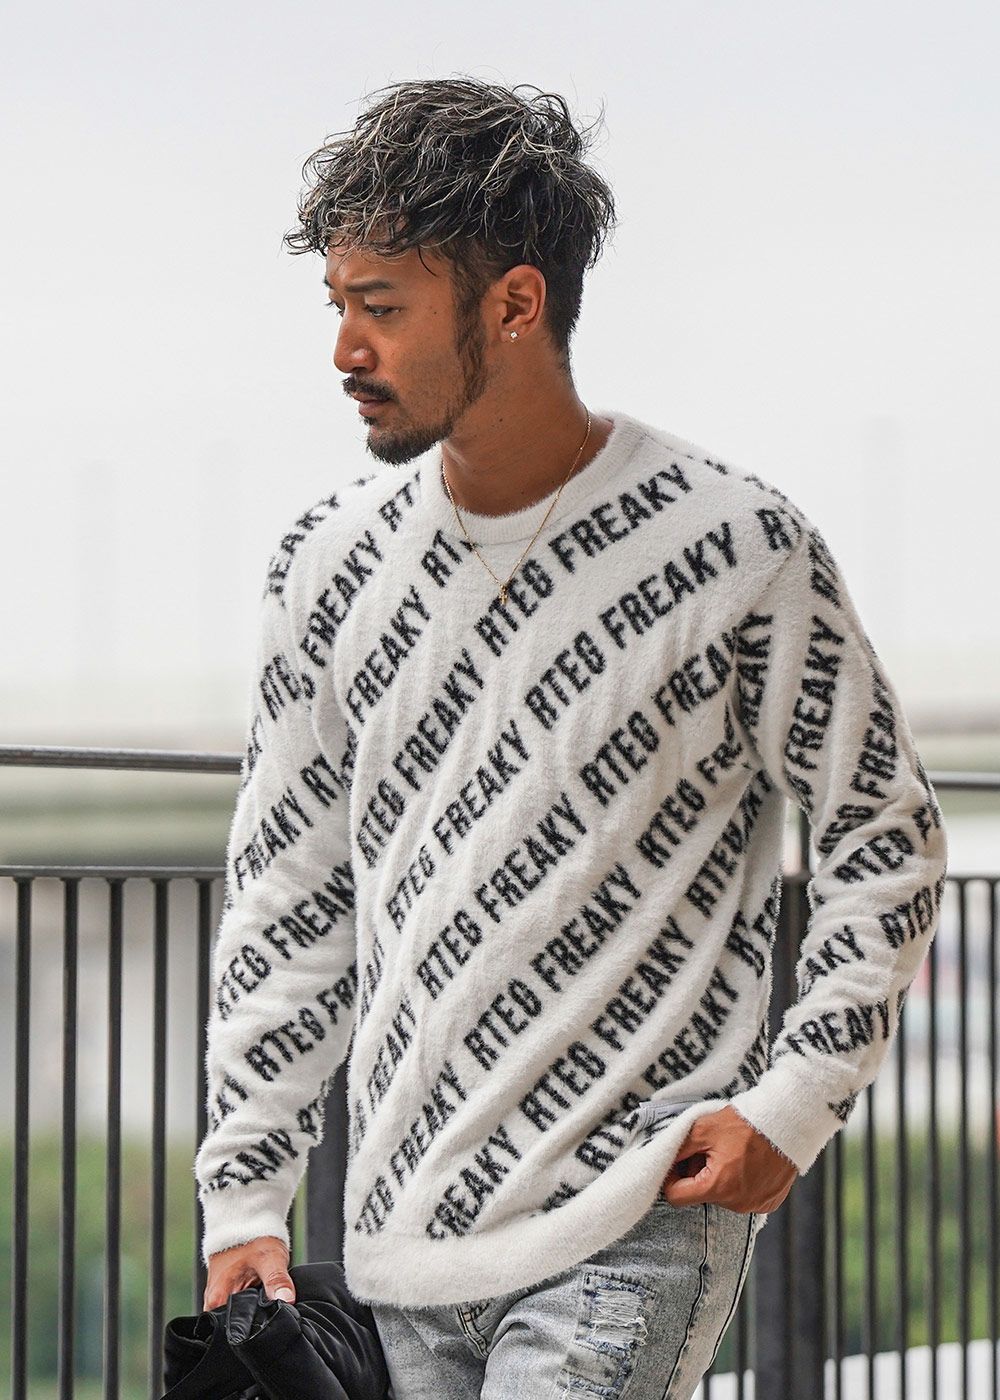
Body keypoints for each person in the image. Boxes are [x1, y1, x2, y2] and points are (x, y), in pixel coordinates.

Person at [194, 77, 948, 1399]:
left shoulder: (733, 548)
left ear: (515, 305)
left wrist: (795, 1103)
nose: (345, 350)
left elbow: (884, 835)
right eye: (337, 307)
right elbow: (288, 896)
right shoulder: (329, 565)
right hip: (402, 1245)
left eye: (383, 309)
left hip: (631, 1227)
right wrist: (246, 1197)